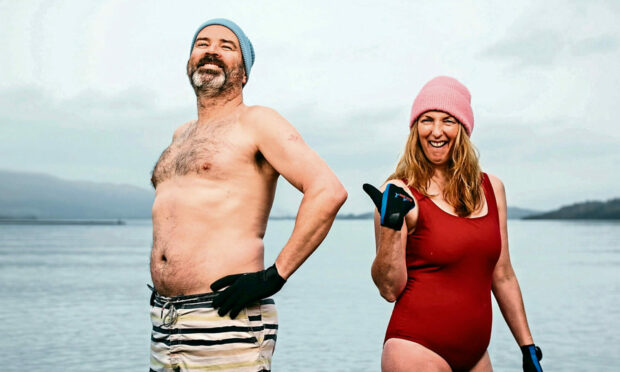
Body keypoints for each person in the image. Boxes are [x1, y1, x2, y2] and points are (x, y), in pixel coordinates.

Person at [148, 18, 347, 372]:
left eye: (227, 46)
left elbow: (327, 190)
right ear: (190, 61)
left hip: (225, 315)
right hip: (166, 323)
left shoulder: (257, 122)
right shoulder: (180, 135)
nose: (211, 50)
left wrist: (274, 276)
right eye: (202, 43)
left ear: (244, 73)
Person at [363, 76, 543, 372]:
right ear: (415, 129)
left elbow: (503, 274)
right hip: (416, 349)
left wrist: (527, 346)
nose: (436, 131)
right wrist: (391, 226)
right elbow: (389, 289)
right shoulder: (400, 193)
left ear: (463, 128)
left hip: (476, 356)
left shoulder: (492, 188)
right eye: (426, 120)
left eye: (448, 120)